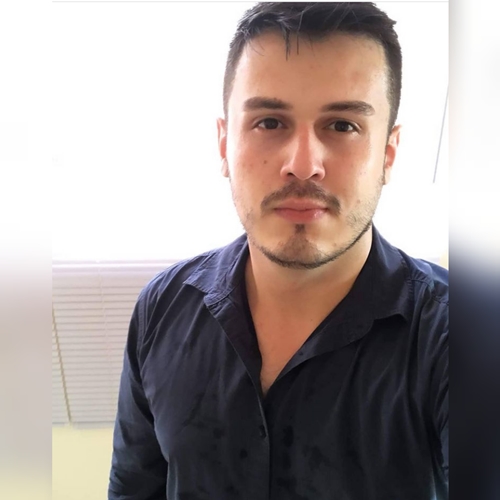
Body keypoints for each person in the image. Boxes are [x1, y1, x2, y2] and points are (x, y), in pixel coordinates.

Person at [108, 2, 448, 499]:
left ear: (388, 154)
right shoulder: (161, 309)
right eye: (269, 122)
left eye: (342, 125)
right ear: (224, 145)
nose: (303, 164)